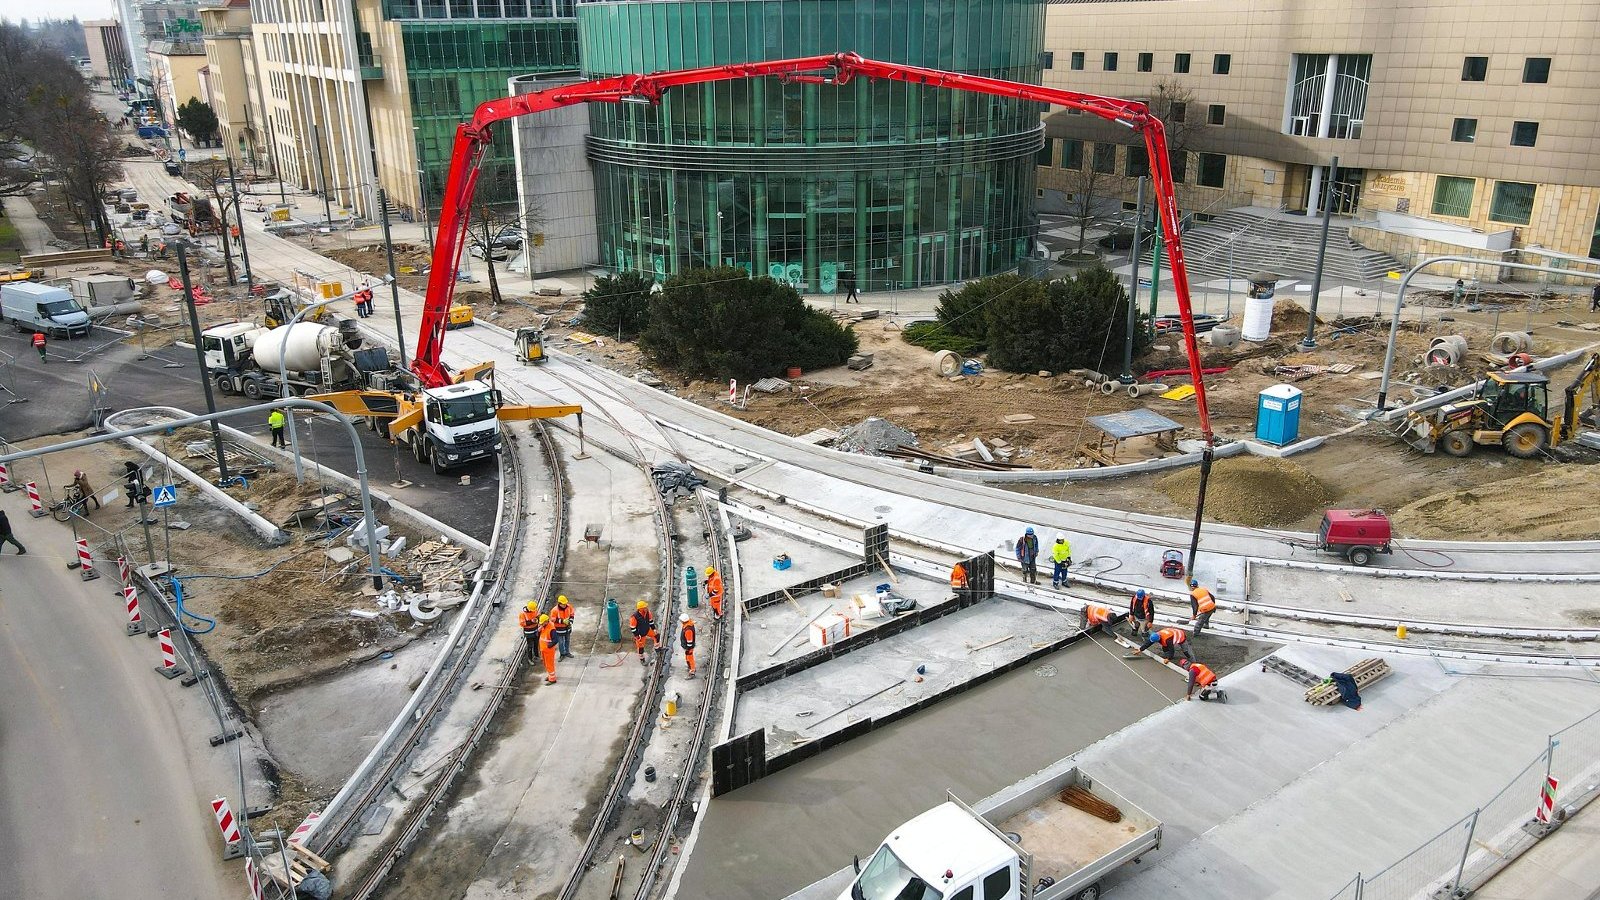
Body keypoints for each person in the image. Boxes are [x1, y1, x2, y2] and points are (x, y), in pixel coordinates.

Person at [629, 600, 661, 665]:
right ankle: (642, 659)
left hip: (647, 630)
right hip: (640, 634)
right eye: (644, 607)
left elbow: (651, 621)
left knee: (656, 636)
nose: (646, 608)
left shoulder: (648, 613)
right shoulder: (634, 617)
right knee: (641, 647)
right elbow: (633, 628)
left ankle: (657, 649)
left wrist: (653, 629)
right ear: (640, 609)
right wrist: (637, 636)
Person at [537, 613, 559, 684]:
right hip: (544, 649)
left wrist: (549, 646)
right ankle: (550, 676)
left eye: (542, 623)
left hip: (548, 650)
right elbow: (539, 635)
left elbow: (555, 640)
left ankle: (552, 679)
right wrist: (539, 630)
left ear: (546, 621)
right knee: (546, 664)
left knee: (549, 664)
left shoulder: (551, 629)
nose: (541, 624)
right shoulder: (544, 626)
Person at [679, 614, 697, 679]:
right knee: (688, 658)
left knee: (690, 658)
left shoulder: (688, 629)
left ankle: (692, 671)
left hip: (688, 648)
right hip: (688, 647)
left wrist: (688, 649)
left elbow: (689, 641)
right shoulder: (687, 625)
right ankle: (690, 667)